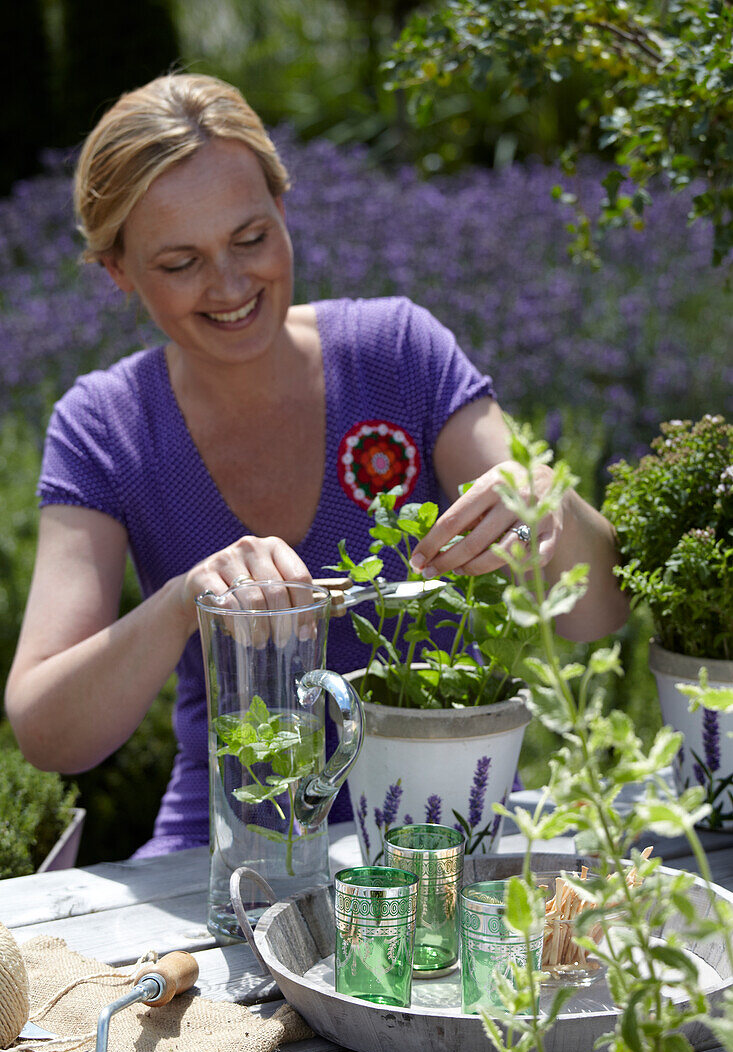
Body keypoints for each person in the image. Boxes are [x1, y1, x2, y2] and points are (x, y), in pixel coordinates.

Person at [4, 74, 629, 857]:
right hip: (229, 848)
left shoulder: (399, 352)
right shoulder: (104, 425)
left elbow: (593, 616)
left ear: (284, 212)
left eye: (251, 238)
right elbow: (47, 733)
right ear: (119, 272)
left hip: (445, 827)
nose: (230, 285)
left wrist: (548, 503)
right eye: (179, 262)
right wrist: (182, 604)